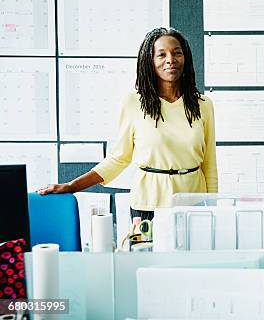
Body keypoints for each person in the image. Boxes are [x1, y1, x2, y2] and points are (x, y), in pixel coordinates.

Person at [37, 27, 218, 220]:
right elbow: (118, 159)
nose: (170, 60)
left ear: (186, 58)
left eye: (177, 53)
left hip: (193, 204)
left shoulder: (203, 105)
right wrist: (71, 186)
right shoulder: (134, 102)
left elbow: (209, 164)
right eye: (161, 55)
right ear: (150, 61)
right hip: (148, 204)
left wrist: (213, 207)